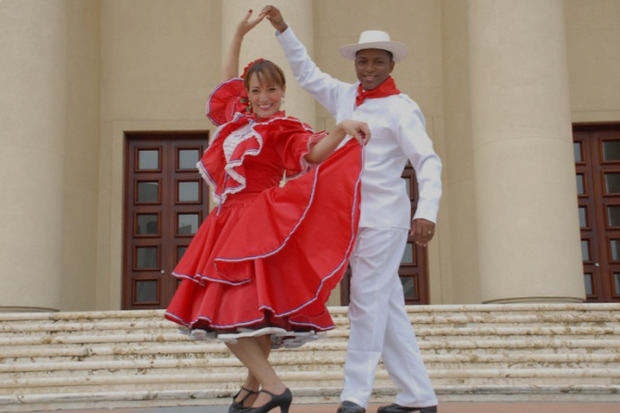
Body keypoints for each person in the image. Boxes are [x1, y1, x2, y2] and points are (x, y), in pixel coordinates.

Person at [164, 10, 370, 413]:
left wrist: (342, 128)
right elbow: (226, 82)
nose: (264, 98)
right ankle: (250, 386)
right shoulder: (237, 122)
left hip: (256, 219)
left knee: (228, 312)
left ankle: (273, 387)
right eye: (257, 91)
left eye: (272, 90)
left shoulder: (283, 129)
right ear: (248, 94)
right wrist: (238, 34)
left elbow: (311, 154)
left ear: (282, 92)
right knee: (252, 313)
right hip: (227, 219)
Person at [263, 6, 442, 413]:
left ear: (391, 64)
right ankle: (419, 397)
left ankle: (353, 397)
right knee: (387, 306)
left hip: (384, 219)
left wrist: (426, 211)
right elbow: (307, 74)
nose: (369, 68)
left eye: (378, 61)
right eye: (363, 60)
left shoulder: (402, 107)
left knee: (364, 301)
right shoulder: (345, 95)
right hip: (346, 217)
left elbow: (428, 160)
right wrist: (282, 30)